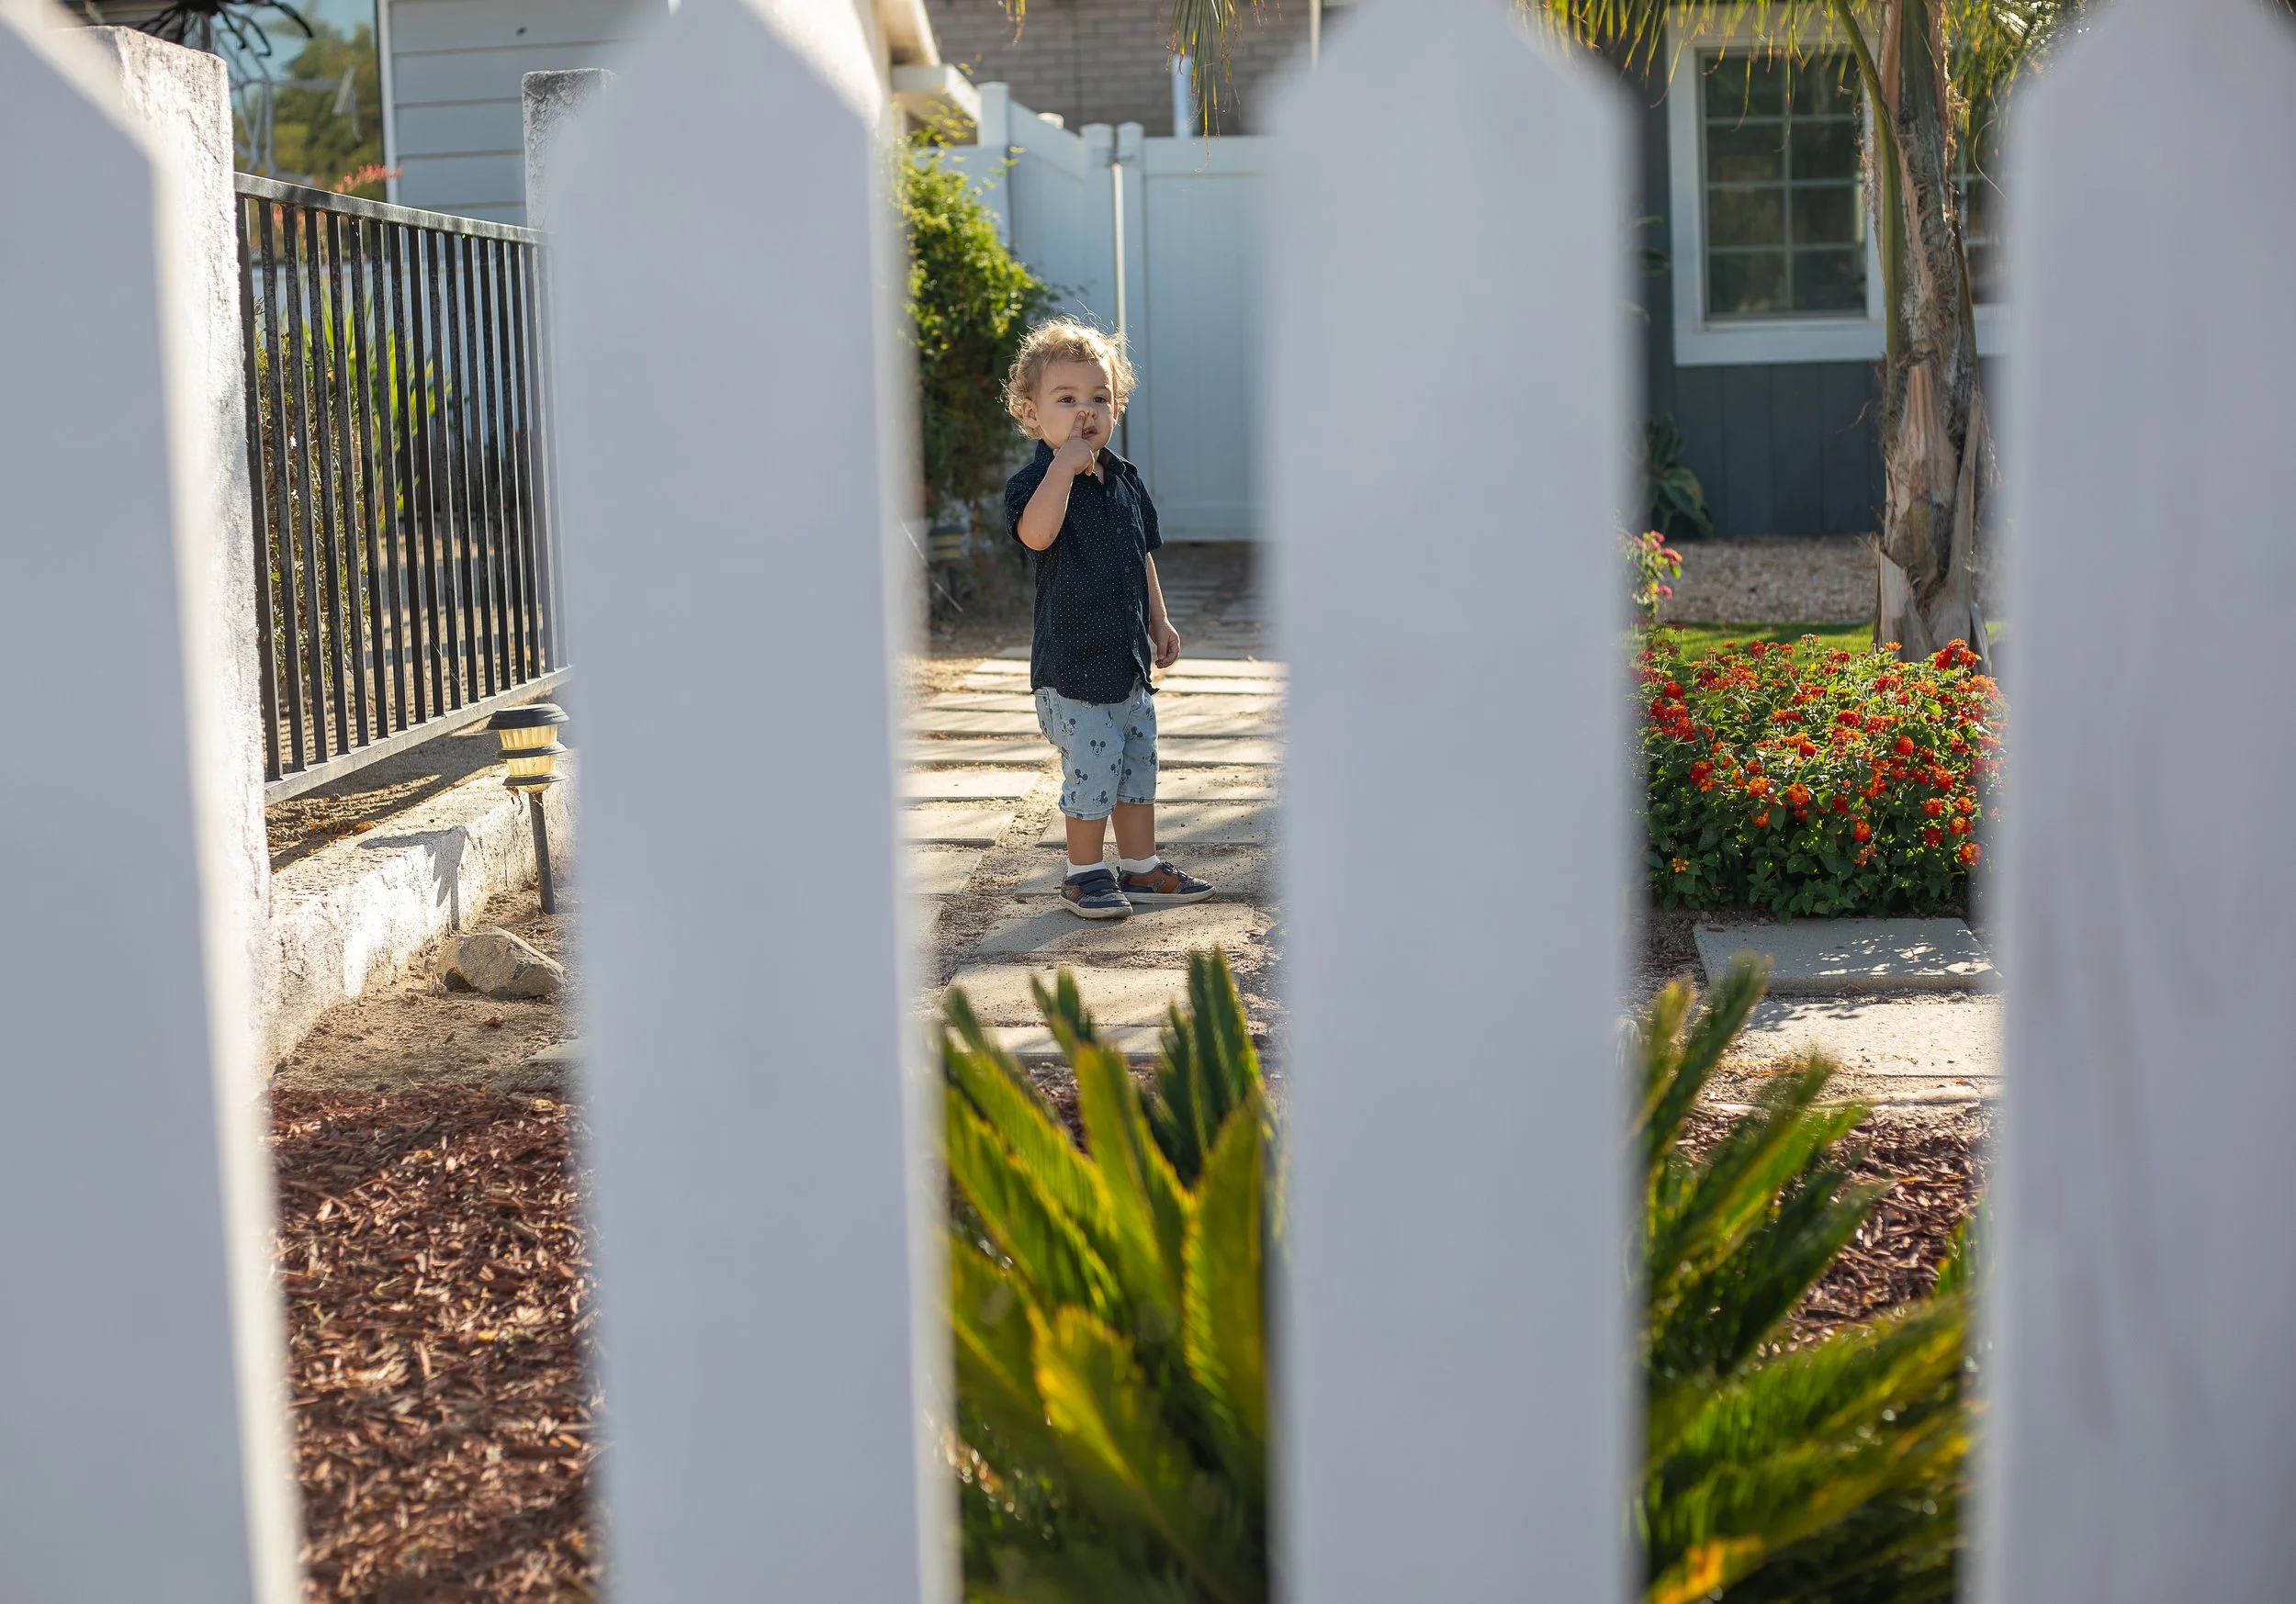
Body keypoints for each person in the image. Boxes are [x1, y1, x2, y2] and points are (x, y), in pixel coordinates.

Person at [1004, 320, 1216, 920]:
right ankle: (1084, 873)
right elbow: (1037, 534)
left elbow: (1138, 551)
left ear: (1116, 408)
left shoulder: (1124, 480)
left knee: (1136, 763)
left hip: (1127, 662)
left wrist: (1160, 619)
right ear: (1030, 413)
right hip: (1071, 672)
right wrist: (1063, 469)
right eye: (1065, 400)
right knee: (1094, 765)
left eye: (1097, 398)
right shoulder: (1033, 484)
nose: (1084, 412)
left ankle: (1142, 865)